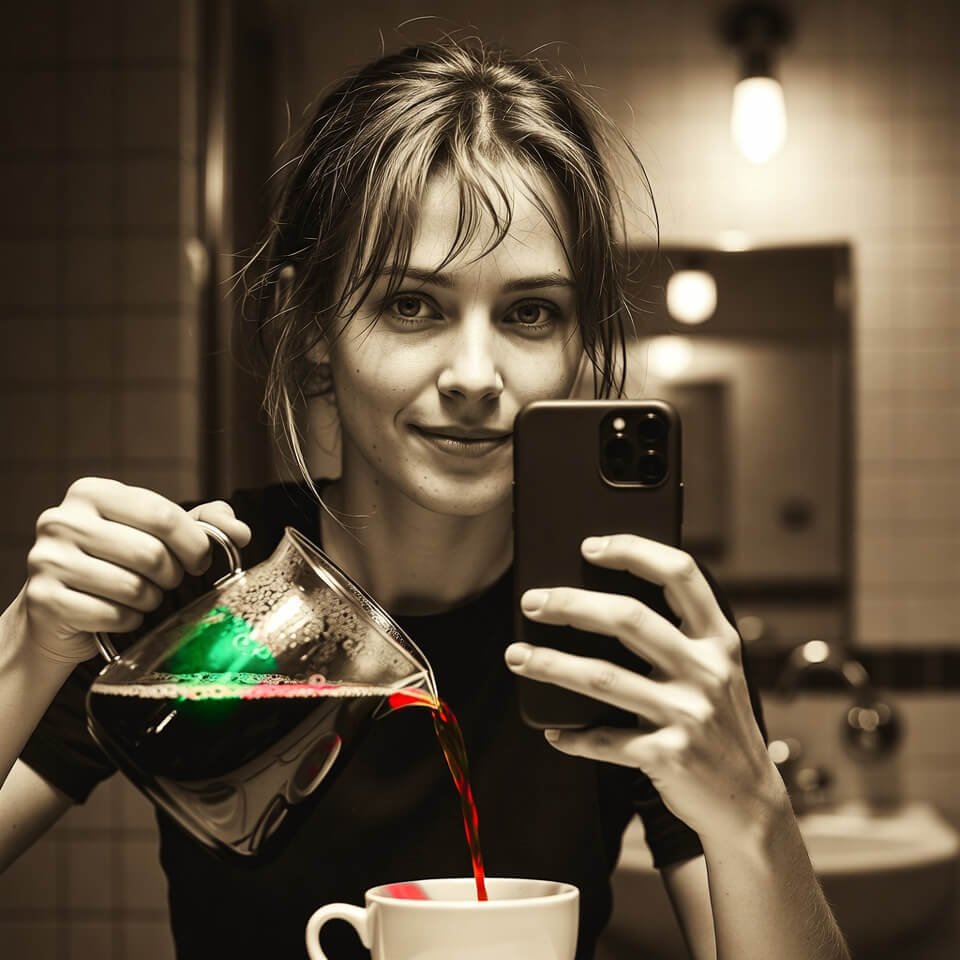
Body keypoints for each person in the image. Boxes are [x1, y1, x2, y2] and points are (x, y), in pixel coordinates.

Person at [0, 38, 848, 960]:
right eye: (412, 305)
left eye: (530, 312)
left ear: (578, 342)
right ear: (314, 327)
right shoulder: (215, 586)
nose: (476, 375)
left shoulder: (629, 618)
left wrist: (754, 812)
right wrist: (29, 646)